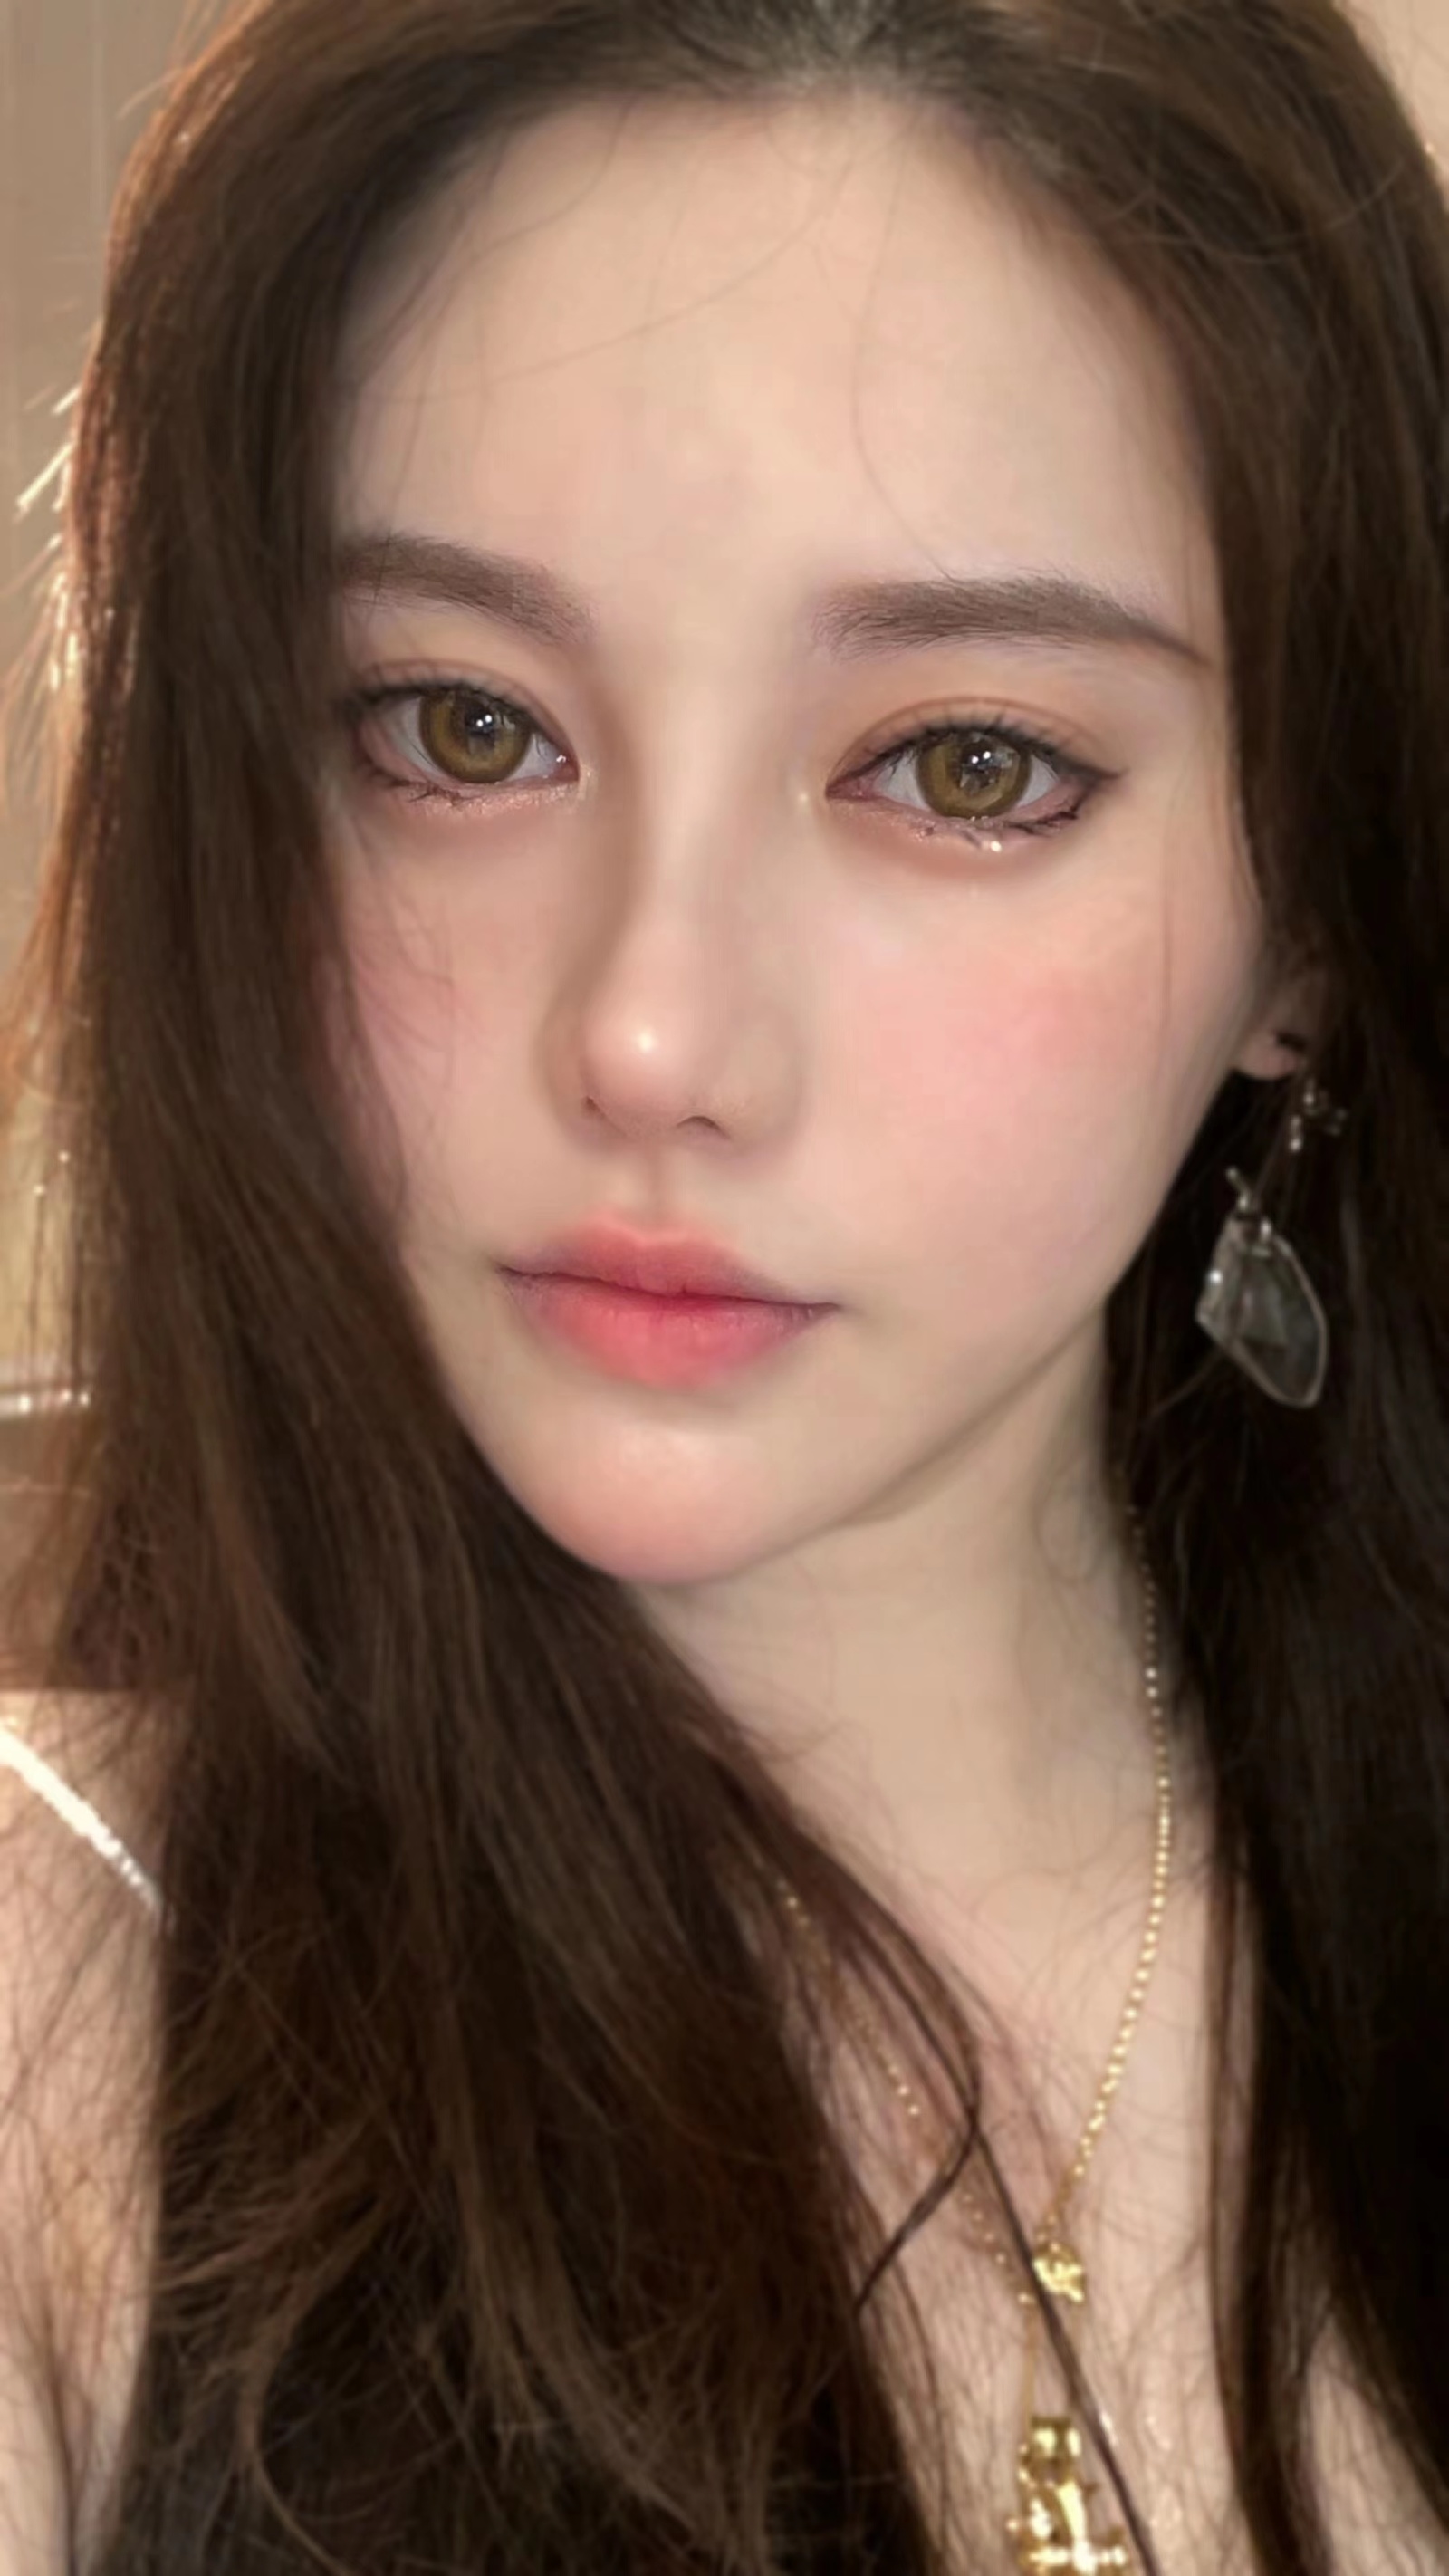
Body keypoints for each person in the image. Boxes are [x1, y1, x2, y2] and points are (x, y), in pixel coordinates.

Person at [0, 0, 1445, 2565]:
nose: (652, 1036)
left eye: (967, 764)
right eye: (459, 730)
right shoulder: (50, 2021)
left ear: (1311, 910)